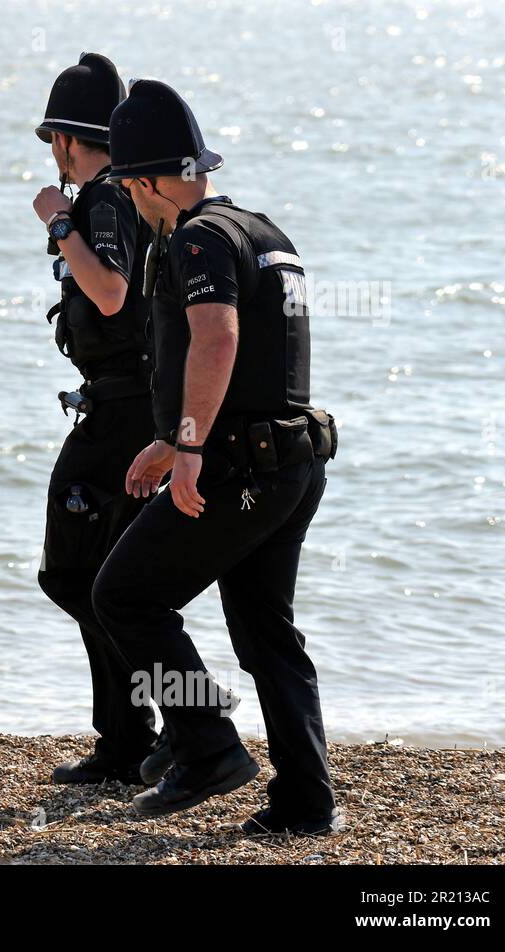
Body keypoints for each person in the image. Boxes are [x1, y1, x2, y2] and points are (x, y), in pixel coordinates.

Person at [92, 79, 341, 834]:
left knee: (125, 597)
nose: (131, 201)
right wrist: (172, 437)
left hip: (236, 463)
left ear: (143, 182)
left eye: (129, 187)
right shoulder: (264, 232)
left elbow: (220, 336)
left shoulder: (197, 237)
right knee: (268, 631)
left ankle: (206, 744)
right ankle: (305, 801)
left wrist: (192, 444)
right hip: (293, 460)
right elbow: (263, 360)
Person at [31, 53, 161, 784]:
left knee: (75, 575)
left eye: (55, 138)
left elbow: (109, 294)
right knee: (104, 576)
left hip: (123, 408)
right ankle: (134, 735)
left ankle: (148, 729)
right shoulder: (128, 194)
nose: (56, 157)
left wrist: (58, 223)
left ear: (67, 140)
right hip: (130, 404)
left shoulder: (103, 197)